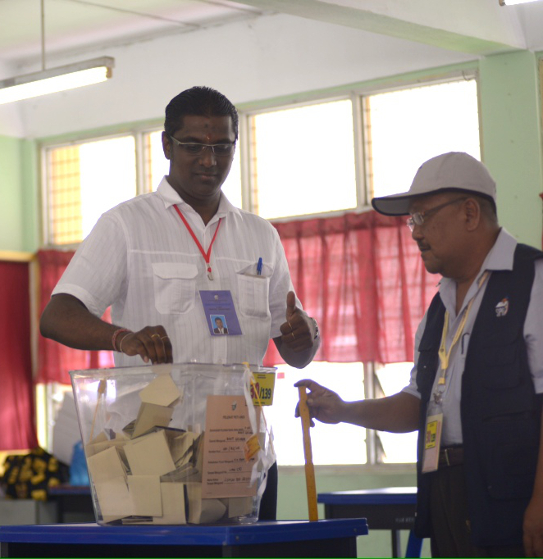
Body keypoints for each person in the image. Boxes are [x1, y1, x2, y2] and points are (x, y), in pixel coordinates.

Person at [40, 86, 321, 521]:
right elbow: (57, 315)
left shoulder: (260, 235)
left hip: (242, 453)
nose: (209, 160)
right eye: (193, 146)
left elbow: (294, 351)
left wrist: (306, 336)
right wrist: (124, 338)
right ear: (167, 144)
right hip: (153, 448)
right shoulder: (127, 225)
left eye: (221, 147)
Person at [296, 152, 543, 557]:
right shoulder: (440, 306)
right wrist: (343, 410)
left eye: (423, 216)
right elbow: (421, 404)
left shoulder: (531, 280)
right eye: (412, 220)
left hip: (516, 500)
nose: (414, 233)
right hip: (447, 491)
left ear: (469, 213)